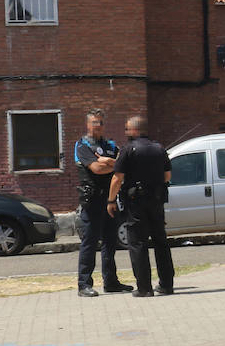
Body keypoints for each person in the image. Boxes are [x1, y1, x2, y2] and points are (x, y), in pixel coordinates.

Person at [107, 115, 174, 297]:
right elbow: (167, 176)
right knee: (161, 242)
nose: (126, 132)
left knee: (138, 243)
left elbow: (117, 178)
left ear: (135, 130)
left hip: (136, 202)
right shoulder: (160, 148)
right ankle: (167, 285)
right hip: (157, 201)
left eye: (127, 129)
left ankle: (144, 288)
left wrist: (111, 201)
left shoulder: (128, 150)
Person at [74, 109, 131, 297]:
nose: (98, 126)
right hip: (92, 201)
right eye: (94, 122)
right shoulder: (82, 145)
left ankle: (111, 282)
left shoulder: (110, 145)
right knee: (90, 242)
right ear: (87, 125)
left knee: (110, 242)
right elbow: (97, 168)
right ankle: (84, 284)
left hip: (110, 200)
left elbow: (125, 166)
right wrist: (112, 165)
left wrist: (109, 161)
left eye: (101, 122)